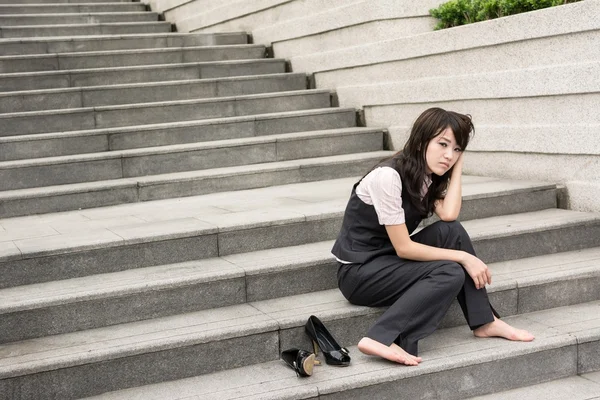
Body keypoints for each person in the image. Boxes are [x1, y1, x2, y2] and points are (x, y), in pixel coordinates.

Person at [332, 107, 534, 366]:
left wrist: (457, 166)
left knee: (452, 231)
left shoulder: (426, 176)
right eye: (443, 144)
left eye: (457, 149)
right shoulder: (388, 177)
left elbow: (449, 215)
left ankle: (485, 320)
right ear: (421, 140)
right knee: (450, 272)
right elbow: (404, 248)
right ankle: (381, 337)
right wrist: (464, 258)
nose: (449, 155)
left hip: (388, 260)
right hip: (360, 274)